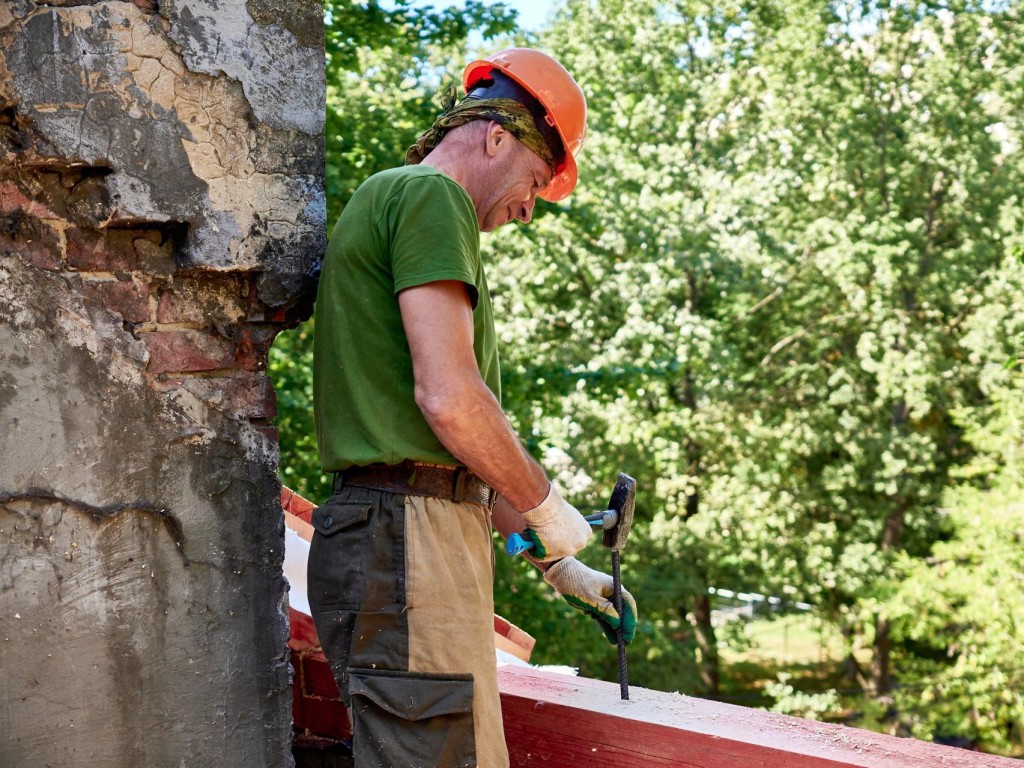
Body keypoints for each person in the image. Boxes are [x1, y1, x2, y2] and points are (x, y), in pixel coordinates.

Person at [308, 48, 638, 768]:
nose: (528, 209)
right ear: (496, 137)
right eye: (534, 182)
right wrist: (548, 504)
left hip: (404, 534)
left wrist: (554, 561)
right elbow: (452, 401)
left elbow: (452, 442)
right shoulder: (433, 198)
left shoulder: (393, 197)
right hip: (409, 539)